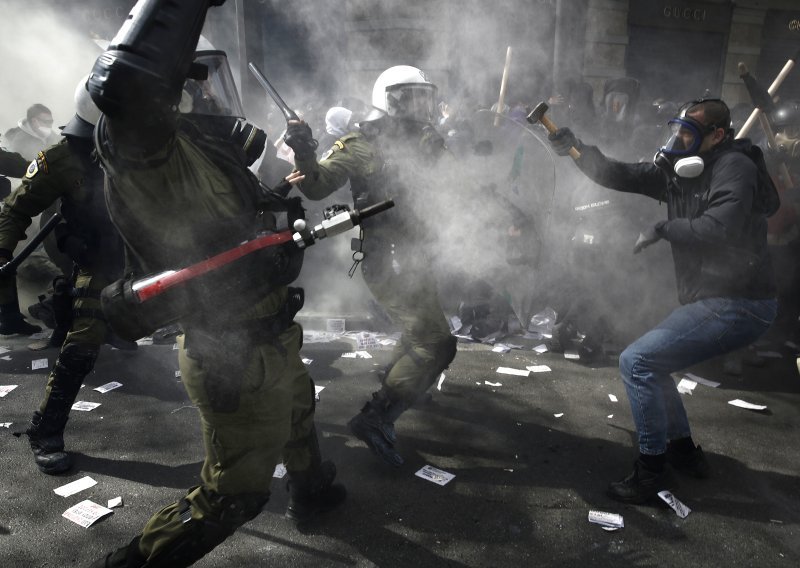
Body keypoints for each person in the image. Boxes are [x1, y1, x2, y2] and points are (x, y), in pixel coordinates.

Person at [87, 2, 344, 565]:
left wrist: (295, 164)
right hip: (231, 349)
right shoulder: (155, 161)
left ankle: (314, 493)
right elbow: (124, 83)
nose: (211, 98)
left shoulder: (204, 156)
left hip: (270, 332)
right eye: (198, 88)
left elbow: (255, 209)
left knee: (299, 414)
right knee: (233, 495)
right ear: (167, 101)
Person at [547, 98, 778, 503]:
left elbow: (720, 226)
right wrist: (575, 149)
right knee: (655, 364)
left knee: (636, 362)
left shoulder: (734, 168)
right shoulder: (680, 169)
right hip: (712, 297)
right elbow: (622, 174)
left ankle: (652, 473)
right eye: (678, 129)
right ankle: (684, 452)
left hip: (741, 301)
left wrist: (661, 226)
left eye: (689, 132)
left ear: (718, 135)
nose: (678, 138)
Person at [284, 64, 458, 468]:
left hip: (421, 254)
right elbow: (315, 184)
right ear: (390, 99)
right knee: (437, 342)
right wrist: (305, 150)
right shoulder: (360, 144)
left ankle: (401, 379)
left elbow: (454, 186)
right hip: (389, 258)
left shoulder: (428, 140)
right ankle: (376, 416)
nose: (421, 104)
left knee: (422, 332)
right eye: (411, 96)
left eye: (423, 95)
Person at [3, 77, 129, 474]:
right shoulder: (61, 158)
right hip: (98, 258)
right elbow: (17, 207)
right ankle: (47, 428)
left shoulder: (145, 145)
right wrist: (2, 249)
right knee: (82, 342)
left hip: (145, 255)